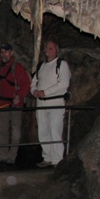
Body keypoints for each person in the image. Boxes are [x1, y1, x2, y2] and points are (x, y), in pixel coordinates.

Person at [0, 43, 31, 165]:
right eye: (2, 52)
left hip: (15, 104)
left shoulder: (17, 67)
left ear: (11, 53)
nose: (3, 54)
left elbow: (26, 84)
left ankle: (12, 156)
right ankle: (2, 154)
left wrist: (19, 96)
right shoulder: (0, 67)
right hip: (2, 103)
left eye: (6, 52)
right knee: (2, 130)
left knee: (15, 130)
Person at [31, 40, 71, 168]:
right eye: (46, 48)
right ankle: (47, 157)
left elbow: (63, 84)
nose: (48, 50)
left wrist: (46, 92)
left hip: (55, 103)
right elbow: (33, 82)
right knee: (43, 131)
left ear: (56, 49)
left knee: (55, 131)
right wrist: (35, 92)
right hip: (41, 104)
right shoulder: (41, 66)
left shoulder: (61, 65)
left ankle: (57, 160)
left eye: (51, 48)